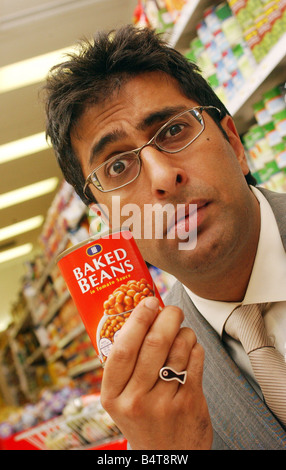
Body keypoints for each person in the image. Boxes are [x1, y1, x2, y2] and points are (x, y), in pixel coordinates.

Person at [43, 25, 286, 450]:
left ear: (234, 142)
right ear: (105, 218)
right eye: (117, 167)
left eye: (174, 130)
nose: (162, 178)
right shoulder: (149, 378)